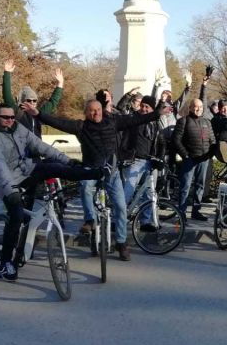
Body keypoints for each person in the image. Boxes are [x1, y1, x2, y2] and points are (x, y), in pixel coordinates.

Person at [22, 97, 168, 261]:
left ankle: (121, 242)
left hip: (111, 172)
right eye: (91, 110)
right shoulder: (81, 126)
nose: (95, 113)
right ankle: (90, 220)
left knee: (120, 207)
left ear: (103, 111)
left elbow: (136, 119)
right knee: (85, 186)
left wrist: (157, 114)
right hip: (90, 170)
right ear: (86, 113)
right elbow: (59, 122)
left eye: (98, 110)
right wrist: (38, 114)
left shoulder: (113, 122)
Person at [0, 103, 107, 281]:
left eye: (12, 117)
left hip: (25, 172)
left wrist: (68, 161)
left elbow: (41, 146)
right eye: (5, 117)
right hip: (4, 182)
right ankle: (5, 262)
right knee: (16, 216)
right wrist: (11, 191)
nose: (10, 120)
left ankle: (91, 173)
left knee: (52, 167)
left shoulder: (18, 128)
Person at [118, 95, 165, 231]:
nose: (144, 109)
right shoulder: (134, 119)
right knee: (128, 191)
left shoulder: (156, 123)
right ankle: (118, 219)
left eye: (147, 107)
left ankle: (145, 221)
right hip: (134, 160)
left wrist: (160, 158)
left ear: (152, 109)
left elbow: (161, 141)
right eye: (142, 106)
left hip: (150, 162)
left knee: (149, 193)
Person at [172, 98, 216, 220]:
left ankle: (196, 211)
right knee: (185, 186)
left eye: (201, 107)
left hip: (204, 159)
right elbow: (176, 140)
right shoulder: (183, 121)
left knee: (200, 186)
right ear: (190, 108)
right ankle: (181, 212)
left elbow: (212, 140)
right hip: (189, 159)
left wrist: (210, 155)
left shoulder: (207, 122)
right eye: (196, 107)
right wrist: (185, 155)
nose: (198, 109)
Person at [2, 59, 63, 138]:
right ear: (22, 101)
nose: (32, 102)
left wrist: (60, 83)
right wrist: (7, 73)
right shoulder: (17, 113)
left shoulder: (39, 114)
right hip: (21, 149)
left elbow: (53, 102)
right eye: (29, 100)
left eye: (34, 100)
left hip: (36, 149)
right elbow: (7, 97)